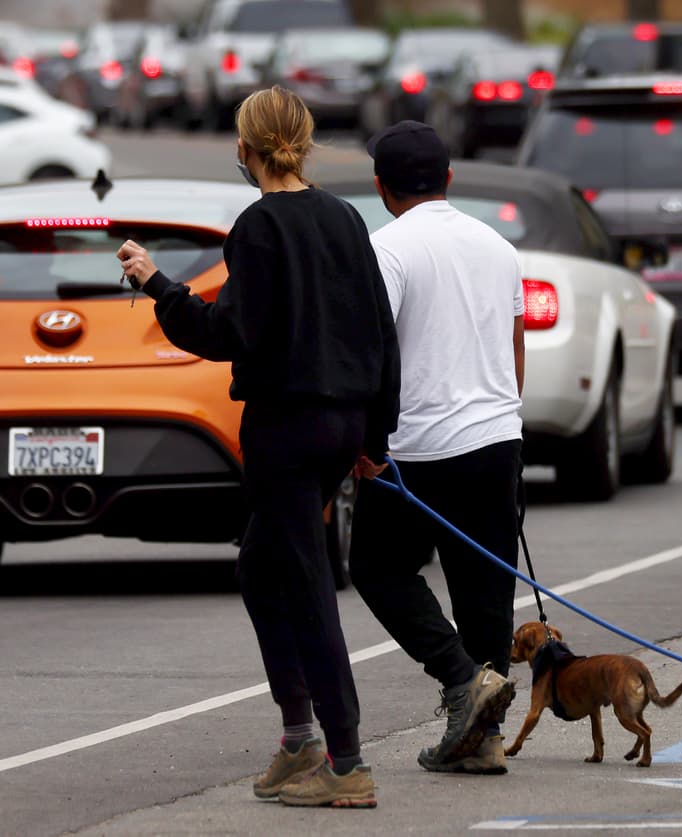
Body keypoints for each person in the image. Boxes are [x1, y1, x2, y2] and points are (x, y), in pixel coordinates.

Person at [116, 86, 400, 808]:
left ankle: (346, 758)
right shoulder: (344, 219)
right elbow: (379, 331)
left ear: (245, 150)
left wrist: (157, 285)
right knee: (260, 567)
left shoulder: (259, 226)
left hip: (285, 427)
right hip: (341, 423)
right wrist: (376, 436)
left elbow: (227, 333)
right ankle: (300, 735)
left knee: (304, 585)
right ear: (301, 142)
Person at [348, 120, 522, 776]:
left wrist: (366, 440)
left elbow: (375, 349)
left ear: (381, 186)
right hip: (495, 439)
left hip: (414, 447)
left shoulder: (386, 249)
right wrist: (507, 420)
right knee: (487, 592)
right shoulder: (498, 246)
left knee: (377, 567)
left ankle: (459, 680)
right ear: (449, 179)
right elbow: (514, 345)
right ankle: (485, 735)